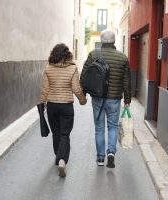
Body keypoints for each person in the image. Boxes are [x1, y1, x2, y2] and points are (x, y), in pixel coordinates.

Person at [80, 29, 131, 168]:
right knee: (113, 126)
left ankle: (100, 158)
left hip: (97, 98)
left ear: (102, 41)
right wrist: (127, 99)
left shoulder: (93, 54)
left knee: (99, 127)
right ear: (114, 41)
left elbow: (84, 75)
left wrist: (83, 93)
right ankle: (111, 152)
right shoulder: (122, 58)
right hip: (114, 98)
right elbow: (126, 80)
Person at [40, 43, 87, 177]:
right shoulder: (72, 68)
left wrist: (42, 103)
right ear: (68, 55)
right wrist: (82, 100)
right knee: (65, 134)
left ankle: (58, 156)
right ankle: (62, 159)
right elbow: (76, 88)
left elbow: (44, 89)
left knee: (56, 133)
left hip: (52, 106)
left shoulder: (48, 68)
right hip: (66, 106)